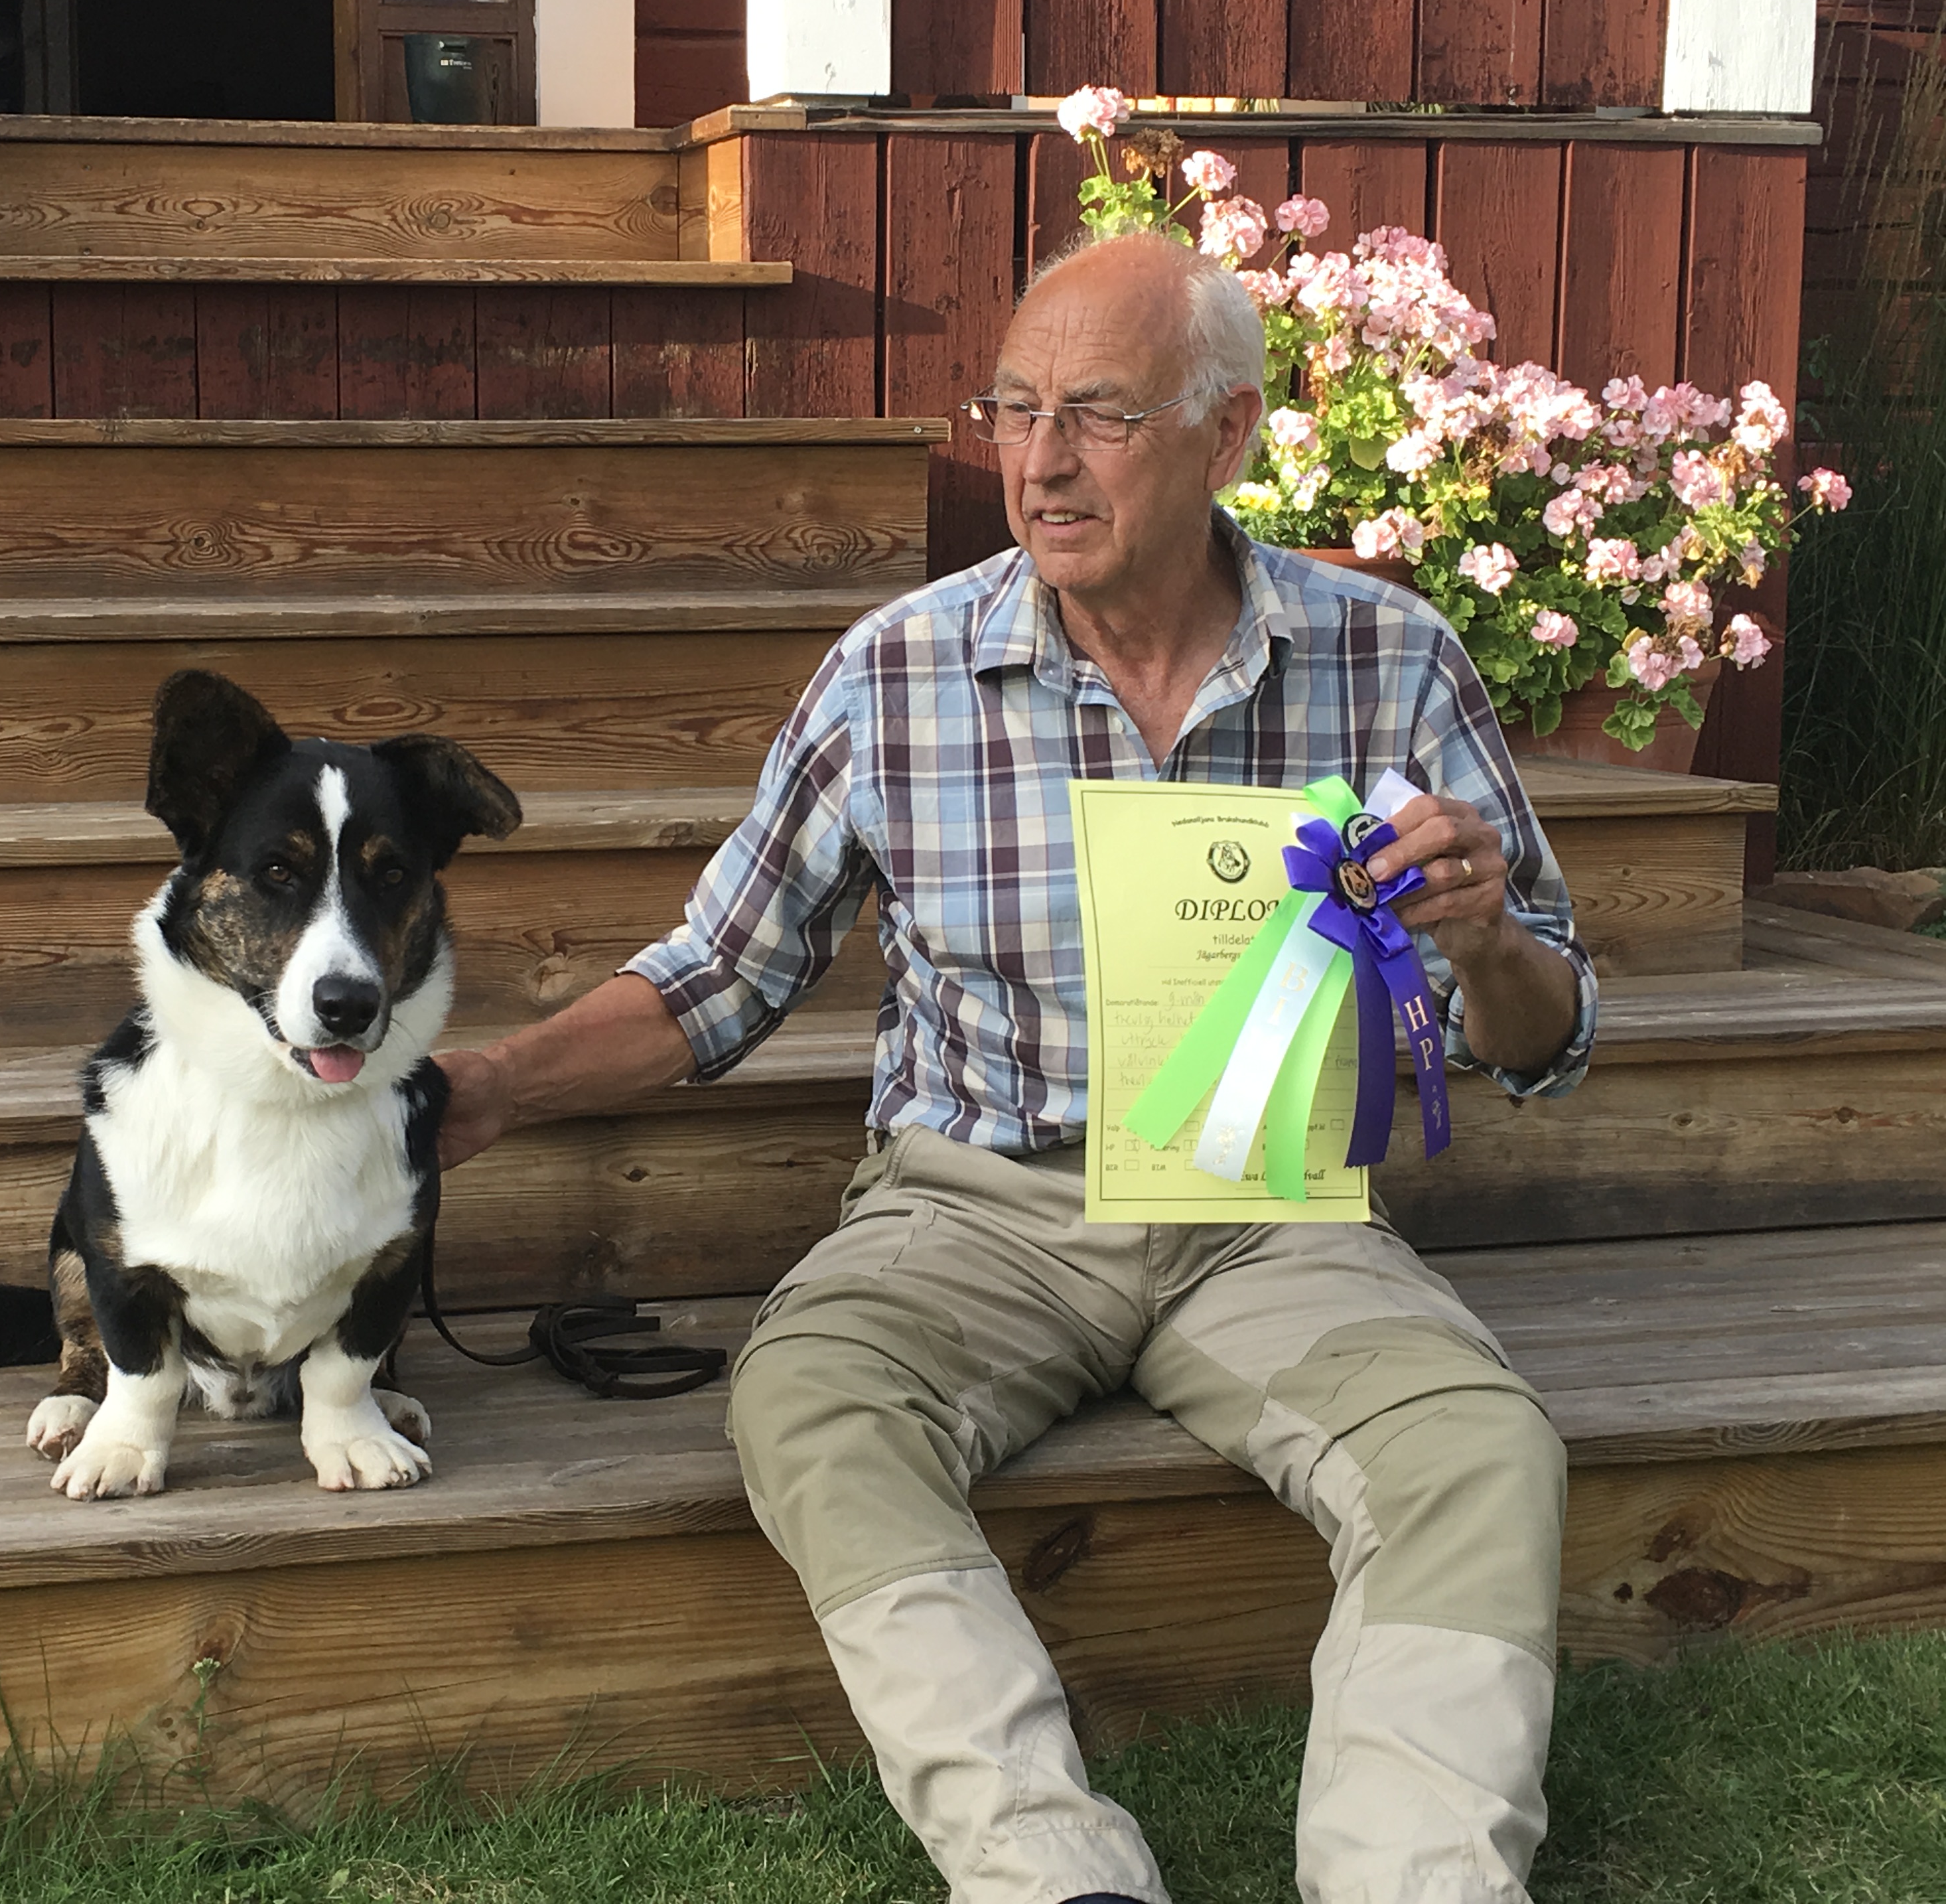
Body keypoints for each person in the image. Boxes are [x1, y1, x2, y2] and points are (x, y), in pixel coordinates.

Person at [436, 229, 1592, 1904]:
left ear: (1231, 436)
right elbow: (720, 972)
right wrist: (498, 1082)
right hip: (970, 1212)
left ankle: (1417, 1879)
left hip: (1269, 1216)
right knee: (812, 1395)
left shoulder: (1390, 658)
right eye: (1013, 409)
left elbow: (1549, 1042)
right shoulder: (893, 676)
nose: (1037, 464)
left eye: (1099, 417)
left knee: (1480, 1448)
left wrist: (1485, 939)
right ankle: (1055, 1875)